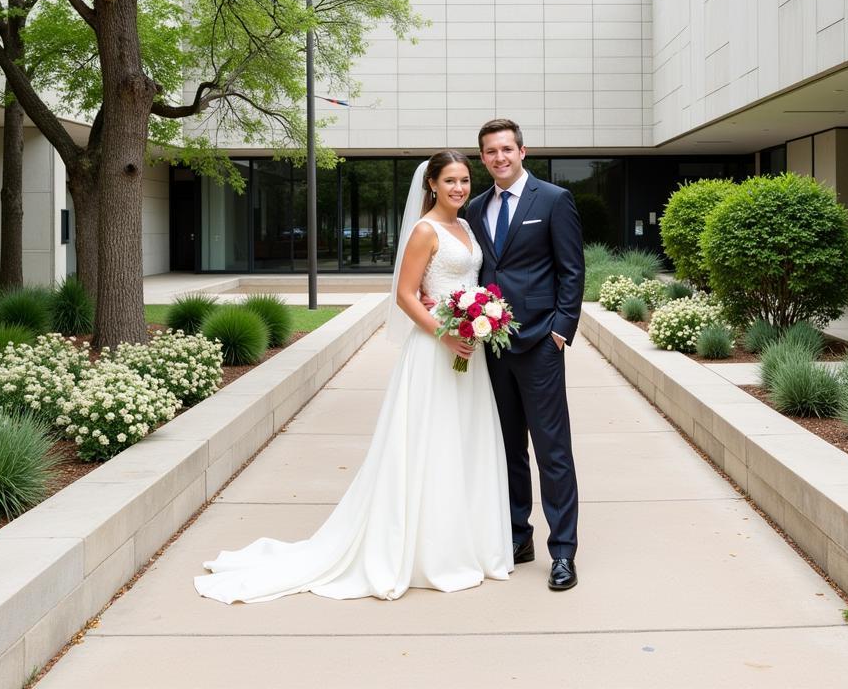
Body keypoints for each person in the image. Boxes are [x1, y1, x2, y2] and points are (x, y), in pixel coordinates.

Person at [194, 150, 512, 603]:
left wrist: (479, 320)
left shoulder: (466, 226)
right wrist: (444, 335)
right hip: (435, 350)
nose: (459, 188)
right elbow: (404, 296)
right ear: (432, 186)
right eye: (450, 181)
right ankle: (429, 553)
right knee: (430, 443)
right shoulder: (425, 231)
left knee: (463, 443)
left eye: (464, 180)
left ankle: (465, 544)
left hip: (468, 350)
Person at [465, 118, 585, 591]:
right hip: (491, 349)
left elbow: (572, 270)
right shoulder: (475, 208)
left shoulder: (553, 201)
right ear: (483, 157)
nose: (499, 158)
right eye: (490, 152)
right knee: (508, 449)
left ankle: (563, 552)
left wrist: (560, 331)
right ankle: (518, 536)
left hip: (540, 344)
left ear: (522, 151)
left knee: (552, 450)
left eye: (506, 150)